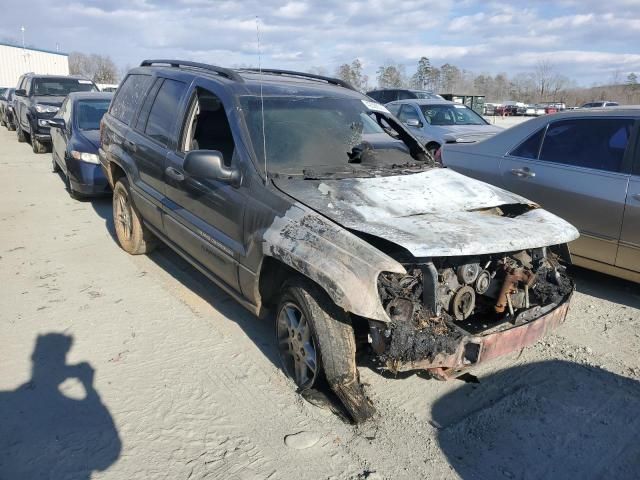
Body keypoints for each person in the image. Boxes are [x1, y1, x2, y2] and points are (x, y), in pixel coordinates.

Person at [0, 333, 121, 479]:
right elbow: (110, 455)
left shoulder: (8, 400)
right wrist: (89, 387)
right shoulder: (9, 400)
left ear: (33, 358)